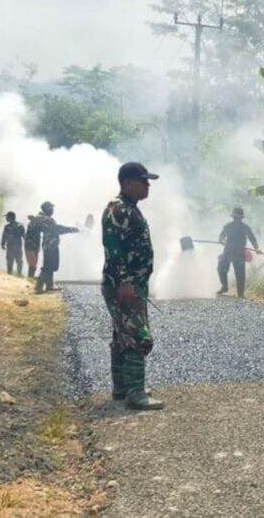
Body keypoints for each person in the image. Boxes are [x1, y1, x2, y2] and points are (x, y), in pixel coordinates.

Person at [101, 162, 163, 410]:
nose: (148, 185)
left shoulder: (128, 209)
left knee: (122, 335)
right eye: (143, 181)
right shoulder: (119, 210)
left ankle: (122, 388)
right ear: (127, 183)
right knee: (137, 336)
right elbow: (113, 248)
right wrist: (125, 281)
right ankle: (136, 393)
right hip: (124, 284)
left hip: (129, 283)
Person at [34, 201, 79, 293]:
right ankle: (38, 286)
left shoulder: (43, 218)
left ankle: (49, 286)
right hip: (50, 246)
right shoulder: (48, 219)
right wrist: (71, 229)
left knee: (51, 266)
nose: (52, 210)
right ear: (47, 209)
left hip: (50, 245)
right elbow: (57, 229)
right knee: (47, 266)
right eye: (51, 208)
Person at [217, 207, 261, 298]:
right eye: (235, 217)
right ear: (233, 217)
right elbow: (221, 237)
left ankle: (240, 293)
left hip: (239, 253)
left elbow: (252, 238)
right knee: (221, 268)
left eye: (238, 218)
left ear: (241, 218)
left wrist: (256, 248)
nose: (237, 219)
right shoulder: (227, 226)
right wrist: (222, 241)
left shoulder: (245, 227)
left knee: (240, 274)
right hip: (228, 251)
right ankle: (224, 287)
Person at [0, 211, 25, 276]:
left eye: (7, 217)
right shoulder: (20, 225)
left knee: (10, 261)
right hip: (17, 247)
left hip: (11, 247)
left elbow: (4, 236)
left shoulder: (7, 227)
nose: (6, 218)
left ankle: (10, 274)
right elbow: (24, 236)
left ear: (11, 217)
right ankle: (19, 274)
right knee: (18, 261)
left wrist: (2, 244)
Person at [25, 214, 42, 278]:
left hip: (34, 246)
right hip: (31, 246)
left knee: (34, 264)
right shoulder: (32, 224)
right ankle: (30, 277)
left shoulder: (35, 224)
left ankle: (31, 276)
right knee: (32, 263)